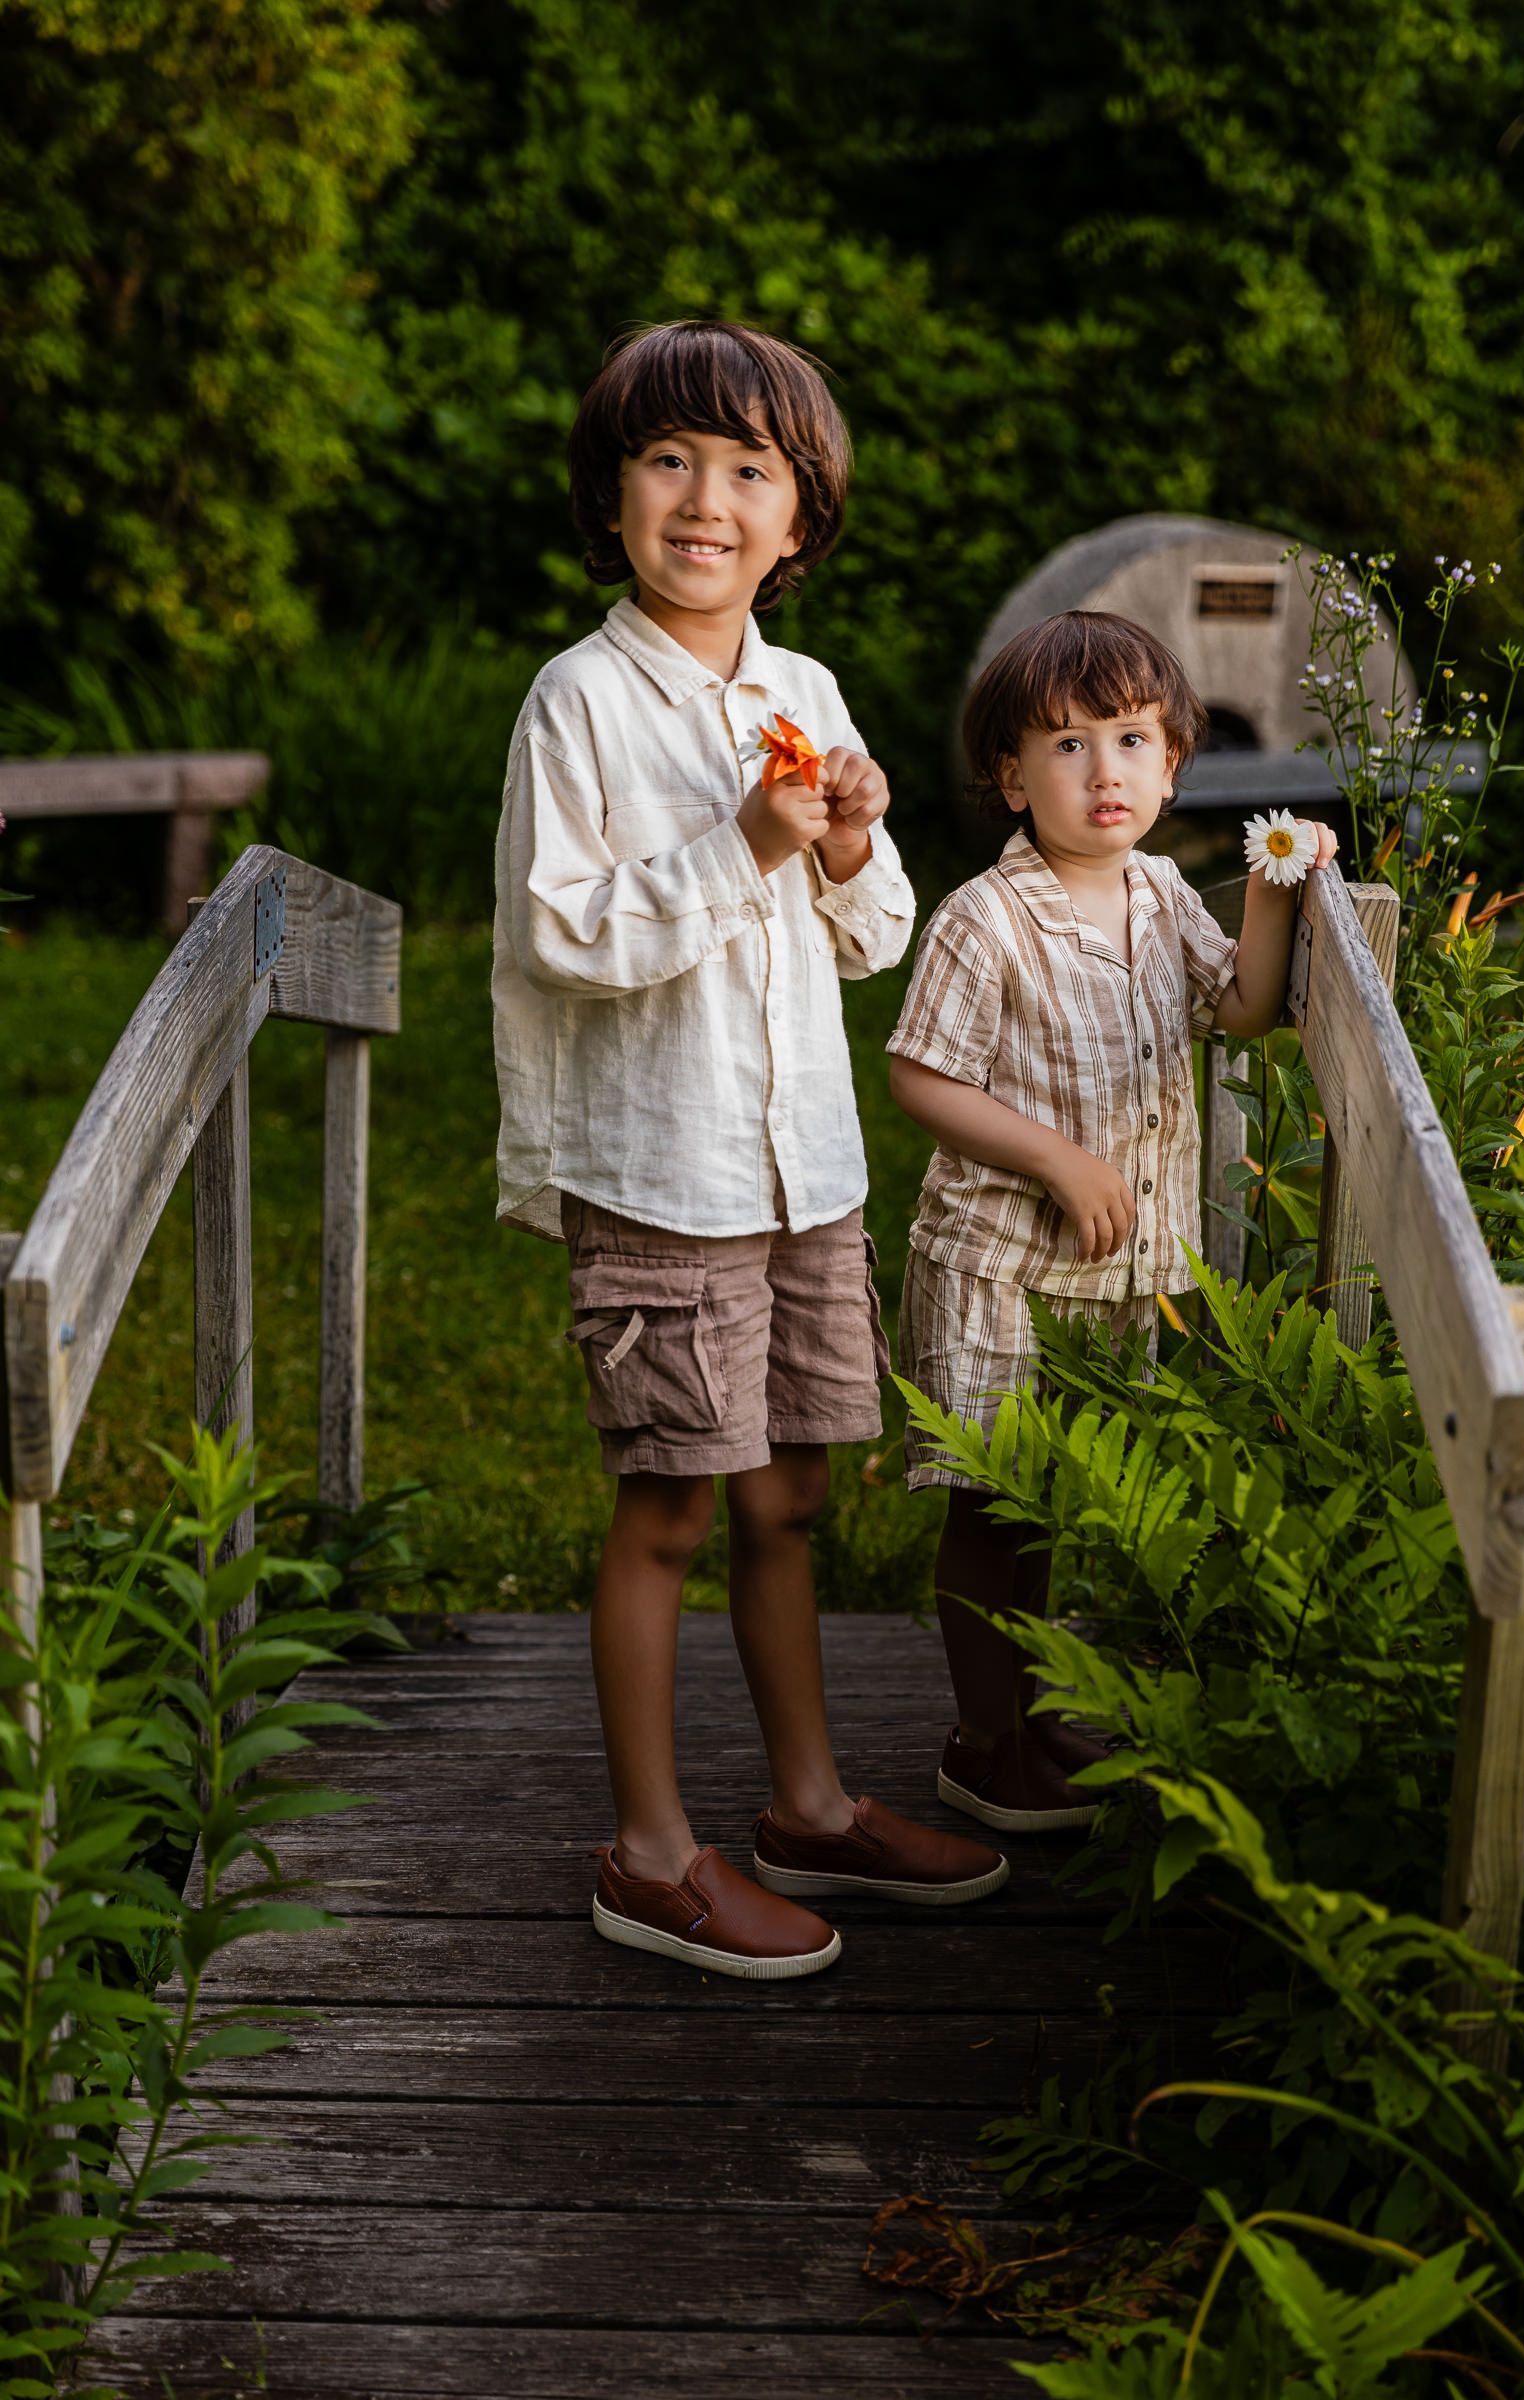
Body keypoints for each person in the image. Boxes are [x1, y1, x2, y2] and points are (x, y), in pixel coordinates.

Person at [492, 320, 1008, 1983]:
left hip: (805, 1174)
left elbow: (870, 939)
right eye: (668, 461)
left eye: (747, 469)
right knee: (666, 1506)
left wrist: (847, 844)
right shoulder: (578, 703)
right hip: (665, 1173)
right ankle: (650, 1857)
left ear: (799, 521)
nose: (705, 499)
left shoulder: (806, 693)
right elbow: (565, 936)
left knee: (789, 1495)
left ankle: (810, 1807)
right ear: (612, 497)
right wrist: (741, 845)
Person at [887, 610, 1337, 1831]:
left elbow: (1240, 1006)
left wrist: (1277, 887)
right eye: (1068, 744)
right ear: (1010, 778)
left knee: (1052, 1503)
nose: (1105, 772)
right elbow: (921, 1076)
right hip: (1000, 1265)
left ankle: (1029, 1716)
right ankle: (984, 1746)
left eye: (1132, 740)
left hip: (1111, 1276)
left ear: (1173, 765)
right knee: (993, 1505)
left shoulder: (1160, 892)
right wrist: (1055, 1159)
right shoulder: (984, 920)